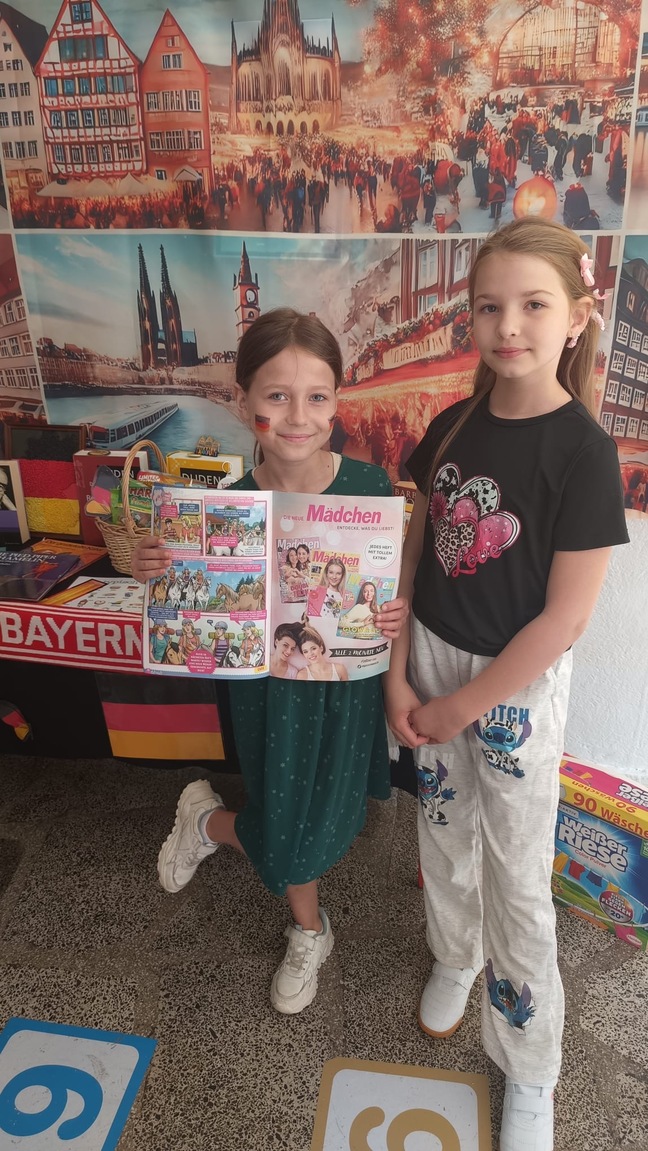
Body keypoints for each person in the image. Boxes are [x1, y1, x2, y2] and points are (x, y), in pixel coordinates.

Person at [383, 217, 629, 1151]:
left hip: (509, 695)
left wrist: (463, 704)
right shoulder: (452, 425)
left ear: (576, 317)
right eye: (490, 307)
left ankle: (530, 1061)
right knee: (443, 838)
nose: (509, 326)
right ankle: (457, 955)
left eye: (532, 304)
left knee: (519, 876)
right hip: (431, 662)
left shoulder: (584, 453)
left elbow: (563, 621)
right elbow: (416, 554)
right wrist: (400, 673)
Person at [132, 307, 407, 1017]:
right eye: (277, 396)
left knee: (332, 813)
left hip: (344, 688)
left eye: (316, 397)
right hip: (269, 693)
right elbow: (188, 607)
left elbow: (383, 590)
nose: (298, 417)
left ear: (337, 402)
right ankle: (309, 928)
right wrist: (157, 568)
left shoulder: (372, 488)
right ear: (243, 399)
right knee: (288, 826)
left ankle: (208, 822)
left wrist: (391, 614)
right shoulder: (226, 506)